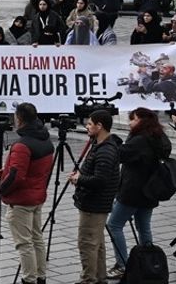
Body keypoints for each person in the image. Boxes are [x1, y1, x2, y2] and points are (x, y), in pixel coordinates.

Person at [103, 107, 173, 278]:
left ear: (142, 120)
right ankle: (149, 261)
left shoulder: (139, 140)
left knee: (114, 225)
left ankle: (122, 264)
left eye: (133, 119)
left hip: (132, 191)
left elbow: (120, 155)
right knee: (144, 227)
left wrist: (112, 140)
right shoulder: (158, 136)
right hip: (150, 190)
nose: (130, 123)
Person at [0, 102, 53, 284]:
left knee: (24, 243)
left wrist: (2, 188)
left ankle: (29, 279)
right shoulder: (45, 139)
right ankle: (41, 276)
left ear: (19, 119)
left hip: (21, 201)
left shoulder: (22, 145)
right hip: (37, 197)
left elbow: (16, 176)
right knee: (37, 239)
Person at [68, 109, 121, 284]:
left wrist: (79, 179)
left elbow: (100, 180)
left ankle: (88, 280)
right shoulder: (102, 145)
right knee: (97, 244)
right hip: (96, 203)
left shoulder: (105, 150)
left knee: (87, 243)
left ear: (100, 126)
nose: (87, 126)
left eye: (90, 123)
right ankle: (99, 278)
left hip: (94, 205)